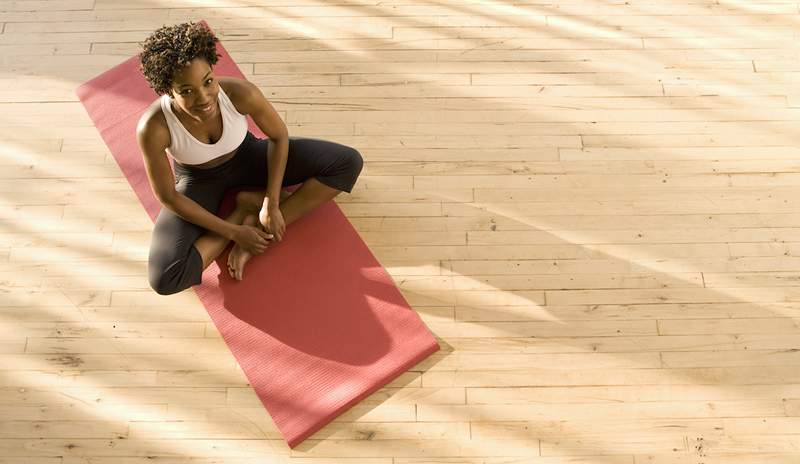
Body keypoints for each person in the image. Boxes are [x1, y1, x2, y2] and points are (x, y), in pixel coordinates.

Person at [136, 21, 363, 294]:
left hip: (248, 157)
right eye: (187, 91)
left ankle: (255, 234)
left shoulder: (241, 93)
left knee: (348, 162)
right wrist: (233, 231)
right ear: (167, 90)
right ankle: (243, 210)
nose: (204, 97)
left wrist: (272, 200)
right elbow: (169, 197)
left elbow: (279, 137)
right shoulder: (153, 127)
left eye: (208, 81)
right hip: (198, 179)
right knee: (165, 279)